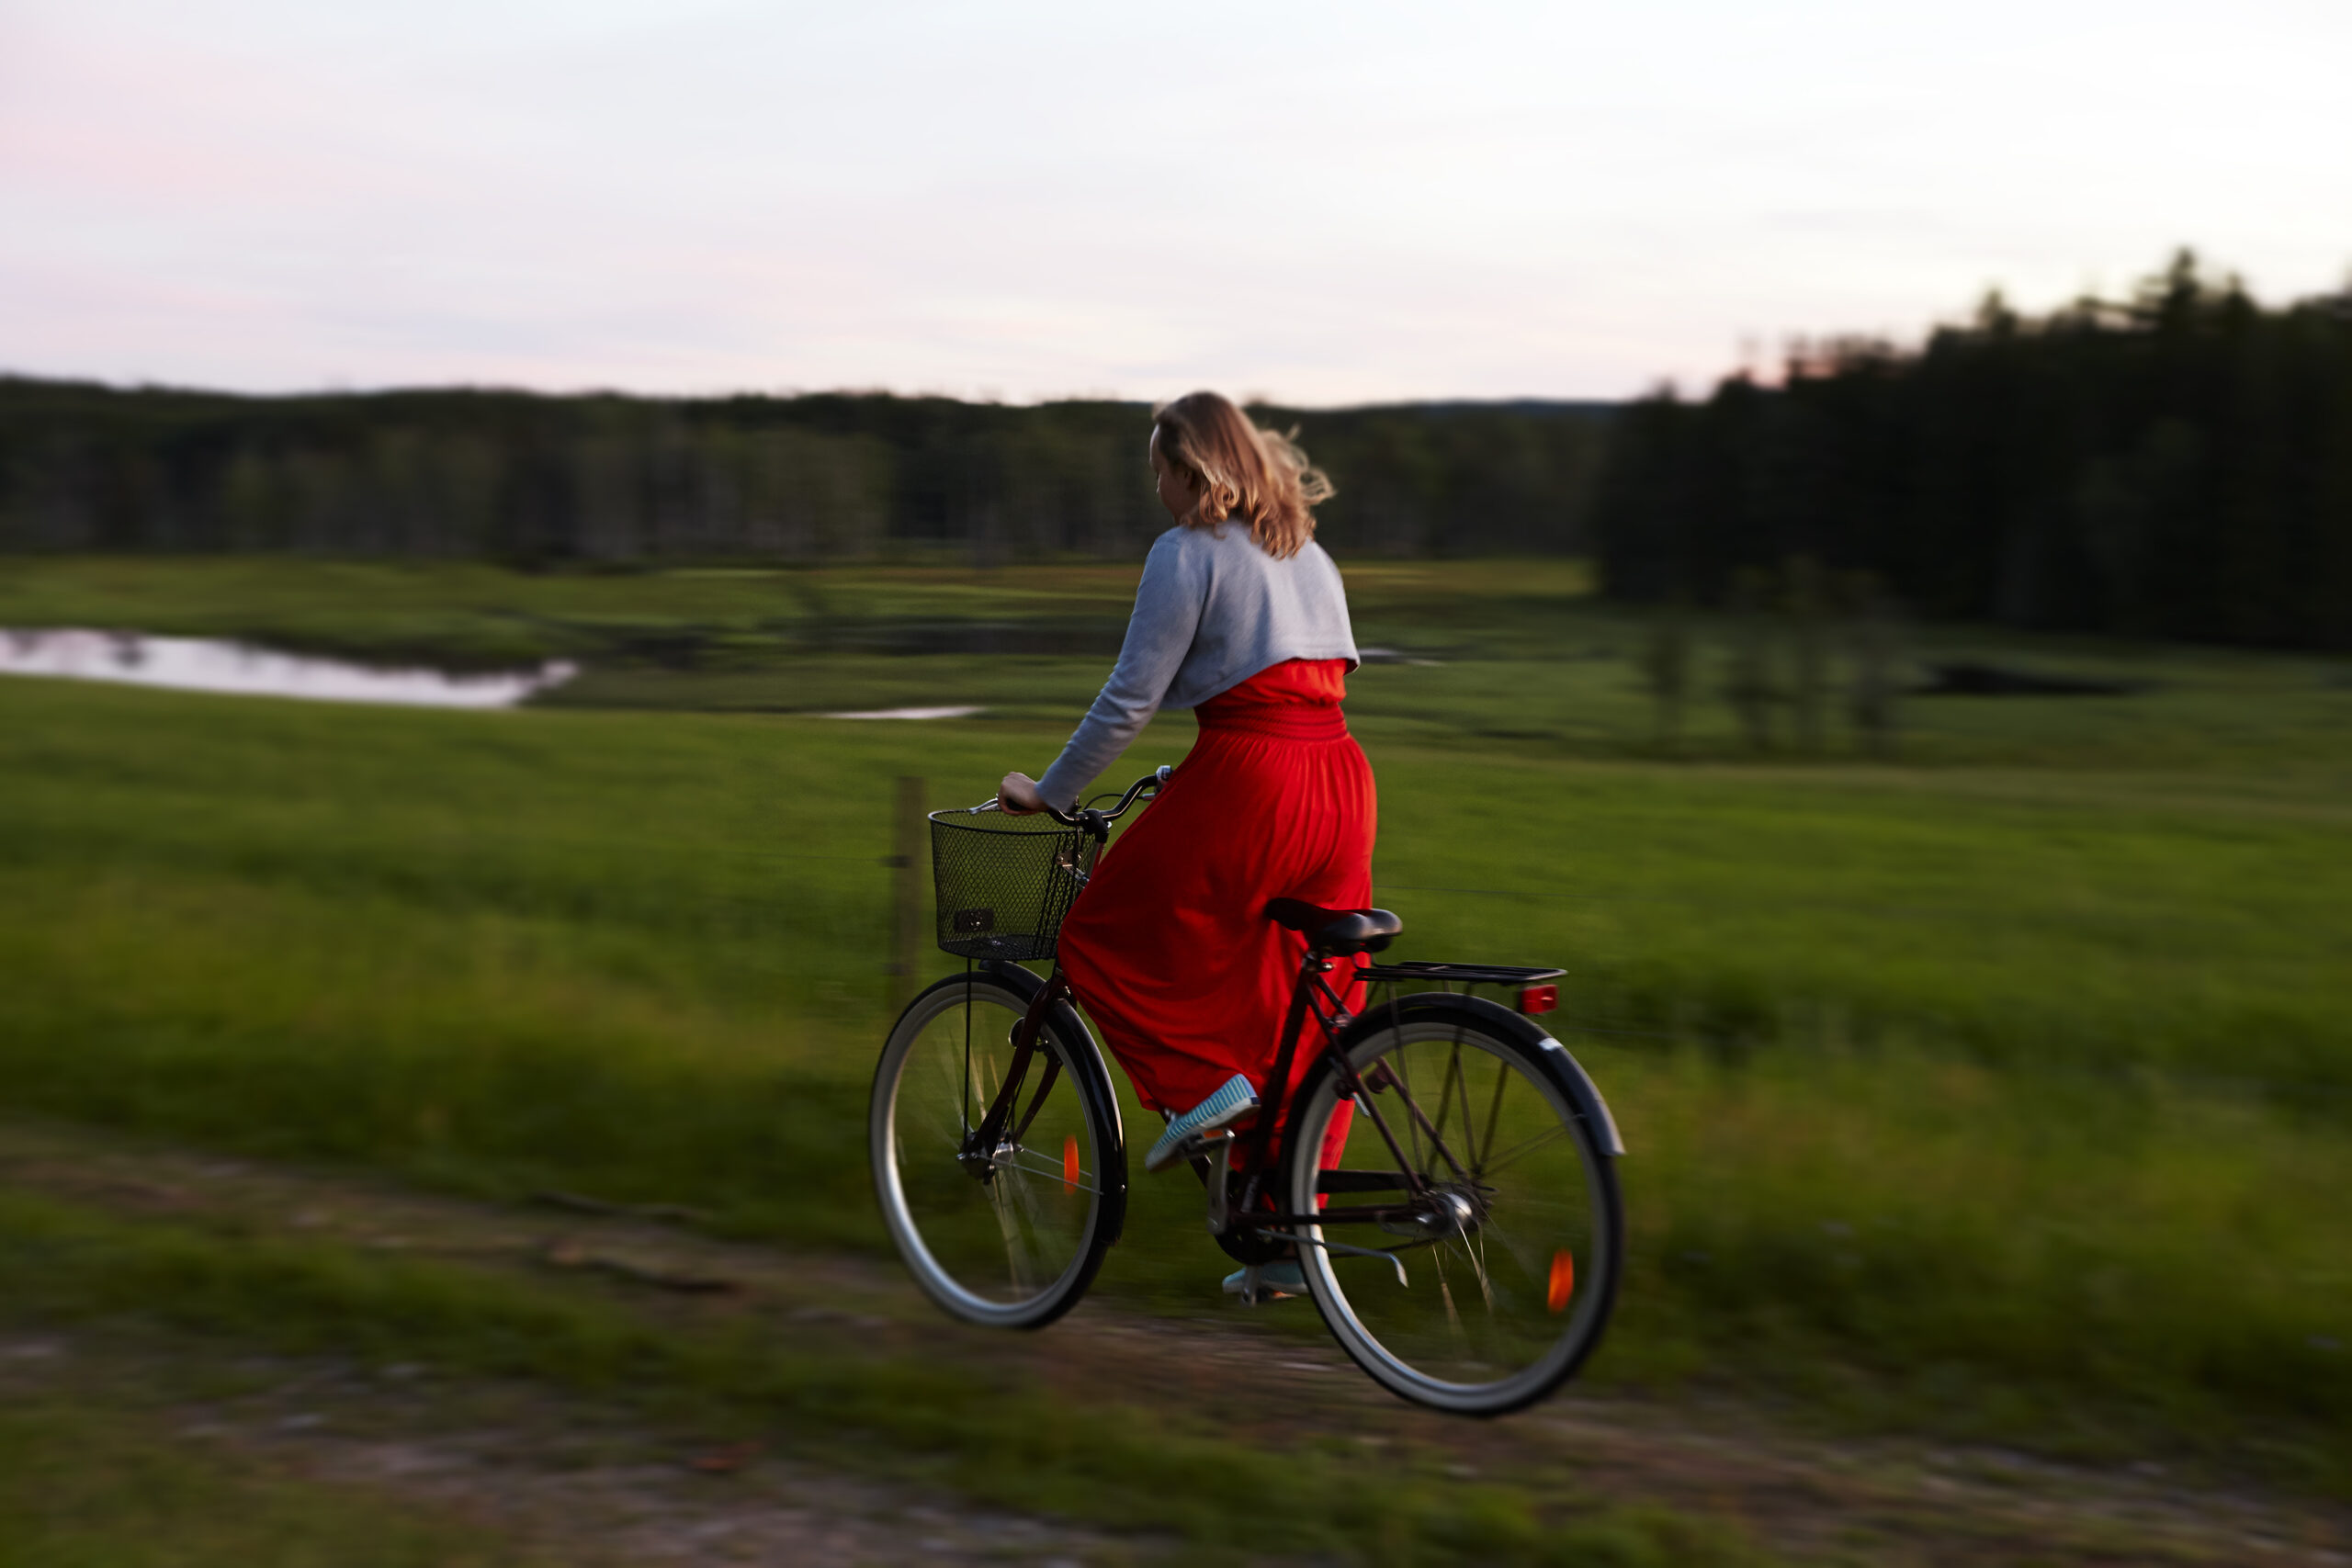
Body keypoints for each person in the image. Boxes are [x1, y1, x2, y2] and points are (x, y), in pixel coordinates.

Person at [997, 391, 1375, 1298]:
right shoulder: (1307, 552)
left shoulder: (1184, 553)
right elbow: (1291, 687)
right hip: (1340, 784)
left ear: (1191, 470)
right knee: (1303, 1006)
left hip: (1256, 780)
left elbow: (1130, 699)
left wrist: (1048, 793)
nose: (1156, 488)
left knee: (1094, 934)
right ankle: (1288, 1235)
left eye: (1159, 470)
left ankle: (1197, 1091)